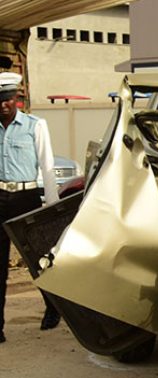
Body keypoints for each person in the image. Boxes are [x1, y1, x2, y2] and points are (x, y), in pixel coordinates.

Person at [0, 72, 60, 343]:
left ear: (17, 99)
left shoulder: (35, 126)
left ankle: (53, 308)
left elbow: (47, 167)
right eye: (0, 100)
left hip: (26, 199)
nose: (4, 105)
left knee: (37, 258)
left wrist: (51, 208)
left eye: (8, 99)